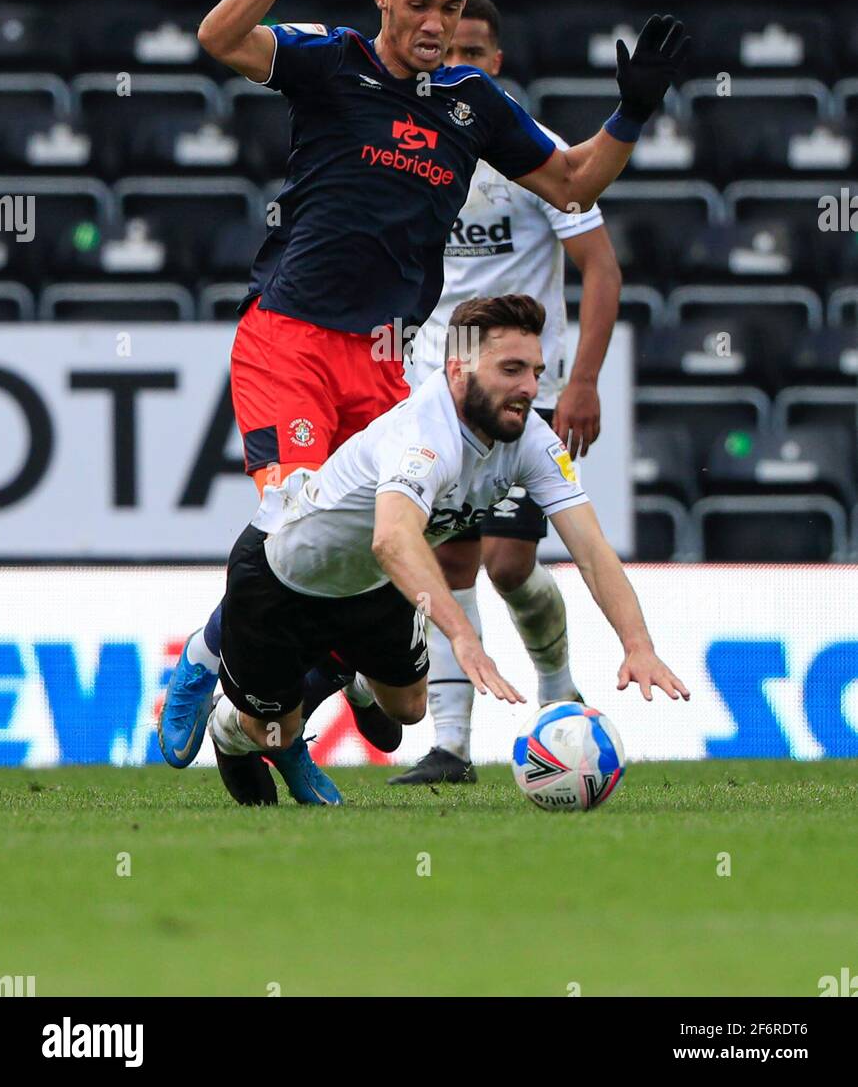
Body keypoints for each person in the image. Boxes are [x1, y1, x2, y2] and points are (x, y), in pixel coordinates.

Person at [158, 0, 689, 794]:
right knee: (291, 527)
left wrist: (632, 113)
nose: (436, 24)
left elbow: (572, 184)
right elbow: (219, 38)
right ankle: (209, 660)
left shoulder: (473, 106)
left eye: (449, 8)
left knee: (359, 541)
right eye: (419, 5)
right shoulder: (331, 62)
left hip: (379, 355)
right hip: (288, 335)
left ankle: (285, 720)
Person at [208, 295, 689, 807]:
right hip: (283, 578)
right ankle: (228, 728)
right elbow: (392, 537)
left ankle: (342, 670)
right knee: (271, 731)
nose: (529, 388)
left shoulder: (531, 440)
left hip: (373, 582)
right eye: (511, 369)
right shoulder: (423, 434)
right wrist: (462, 636)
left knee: (409, 710)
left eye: (535, 371)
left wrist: (637, 645)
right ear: (458, 367)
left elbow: (591, 547)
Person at [393, 0, 622, 783]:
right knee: (452, 561)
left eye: (475, 53)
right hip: (437, 394)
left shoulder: (538, 155)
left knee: (510, 562)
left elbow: (601, 269)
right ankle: (451, 746)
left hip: (526, 394)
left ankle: (557, 690)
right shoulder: (413, 150)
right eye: (448, 51)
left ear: (497, 64)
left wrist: (582, 380)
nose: (459, 64)